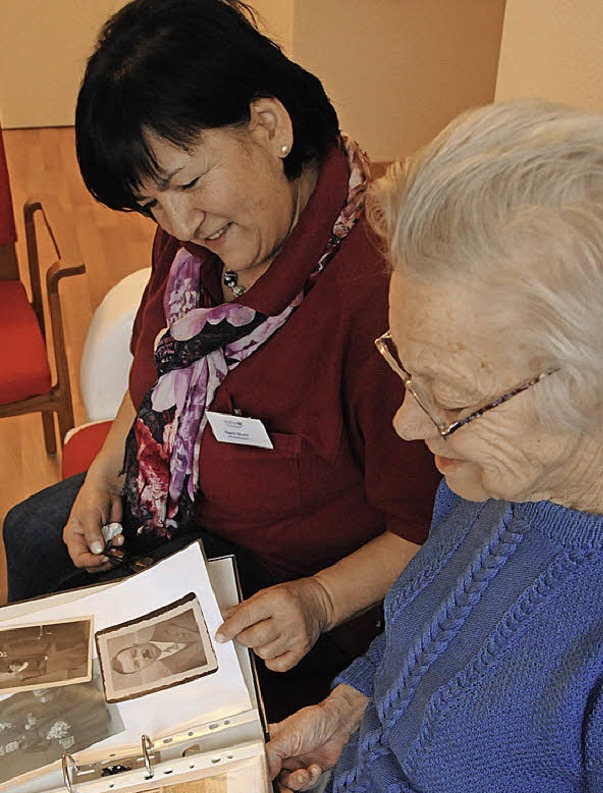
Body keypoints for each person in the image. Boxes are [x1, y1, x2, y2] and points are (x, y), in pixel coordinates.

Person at [228, 100, 603, 793]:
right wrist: (352, 703)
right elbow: (433, 626)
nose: (412, 427)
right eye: (403, 368)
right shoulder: (503, 460)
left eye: (446, 398)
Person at [2, 0, 438, 719]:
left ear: (269, 126)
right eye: (150, 205)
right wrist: (106, 474)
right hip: (180, 507)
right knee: (34, 535)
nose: (179, 226)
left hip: (295, 592)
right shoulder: (196, 241)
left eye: (186, 183)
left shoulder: (378, 299)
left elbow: (430, 527)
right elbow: (152, 373)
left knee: (144, 722)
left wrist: (320, 601)